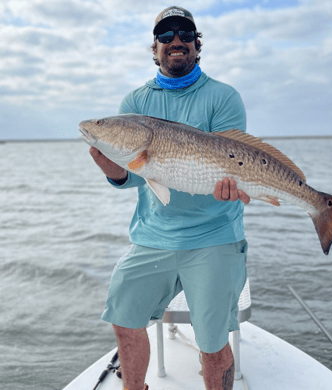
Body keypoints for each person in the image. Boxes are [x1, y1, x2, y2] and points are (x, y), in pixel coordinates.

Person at [90, 6, 250, 390]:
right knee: (124, 317)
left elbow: (235, 162)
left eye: (183, 35)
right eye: (165, 36)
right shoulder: (135, 102)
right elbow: (134, 178)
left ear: (196, 44)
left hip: (213, 234)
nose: (175, 42)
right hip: (153, 236)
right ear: (155, 47)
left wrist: (232, 186)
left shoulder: (223, 96)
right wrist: (111, 167)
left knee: (212, 343)